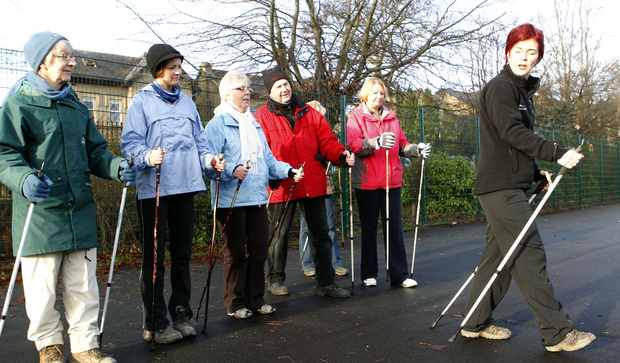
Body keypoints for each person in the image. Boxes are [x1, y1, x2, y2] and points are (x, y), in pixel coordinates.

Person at [458, 23, 595, 352]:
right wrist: (558, 152)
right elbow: (511, 133)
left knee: (499, 258)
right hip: (498, 188)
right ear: (508, 52)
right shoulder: (501, 88)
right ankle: (557, 333)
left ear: (538, 57)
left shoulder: (520, 93)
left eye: (531, 52)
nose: (524, 57)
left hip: (510, 186)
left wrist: (536, 176)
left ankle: (474, 323)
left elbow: (515, 145)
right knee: (528, 251)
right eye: (518, 50)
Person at [0, 32, 135, 363]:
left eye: (72, 55)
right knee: (42, 293)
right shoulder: (19, 102)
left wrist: (115, 165)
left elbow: (96, 151)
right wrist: (24, 179)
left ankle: (86, 346)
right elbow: (4, 152)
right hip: (40, 214)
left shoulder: (75, 104)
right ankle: (49, 346)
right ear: (43, 61)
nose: (72, 61)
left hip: (80, 211)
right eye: (64, 56)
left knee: (83, 288)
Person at [121, 44, 211, 344]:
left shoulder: (188, 103)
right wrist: (147, 156)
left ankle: (181, 312)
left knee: (183, 256)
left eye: (179, 66)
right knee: (155, 258)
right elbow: (130, 144)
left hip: (186, 185)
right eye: (172, 66)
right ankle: (156, 321)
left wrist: (211, 161)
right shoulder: (142, 103)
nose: (178, 71)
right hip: (154, 191)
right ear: (158, 70)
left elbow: (201, 141)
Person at [203, 70, 302, 319]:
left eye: (248, 88)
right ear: (226, 94)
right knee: (236, 253)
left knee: (258, 250)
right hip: (230, 200)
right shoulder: (217, 124)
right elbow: (207, 161)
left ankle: (256, 299)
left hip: (257, 196)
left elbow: (267, 160)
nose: (247, 92)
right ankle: (235, 304)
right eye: (240, 88)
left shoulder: (253, 123)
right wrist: (229, 171)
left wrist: (288, 170)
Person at [258, 67, 354, 298]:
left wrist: (341, 155)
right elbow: (262, 150)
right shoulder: (261, 116)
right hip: (282, 183)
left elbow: (327, 141)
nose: (284, 89)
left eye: (286, 84)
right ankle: (275, 279)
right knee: (278, 235)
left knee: (320, 233)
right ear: (270, 92)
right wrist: (274, 174)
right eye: (278, 86)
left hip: (311, 181)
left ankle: (326, 282)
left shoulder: (310, 113)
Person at [346, 77, 431, 289]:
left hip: (391, 181)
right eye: (375, 93)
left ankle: (399, 275)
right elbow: (355, 145)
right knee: (369, 228)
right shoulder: (355, 117)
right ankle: (368, 272)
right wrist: (376, 143)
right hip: (366, 181)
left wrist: (416, 150)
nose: (379, 97)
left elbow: (402, 145)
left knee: (394, 228)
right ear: (366, 94)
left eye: (382, 93)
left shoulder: (392, 118)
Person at [298, 101, 347, 278]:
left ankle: (335, 262)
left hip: (325, 186)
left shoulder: (326, 133)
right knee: (306, 227)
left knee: (330, 226)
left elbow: (333, 156)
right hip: (307, 186)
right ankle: (307, 262)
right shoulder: (303, 134)